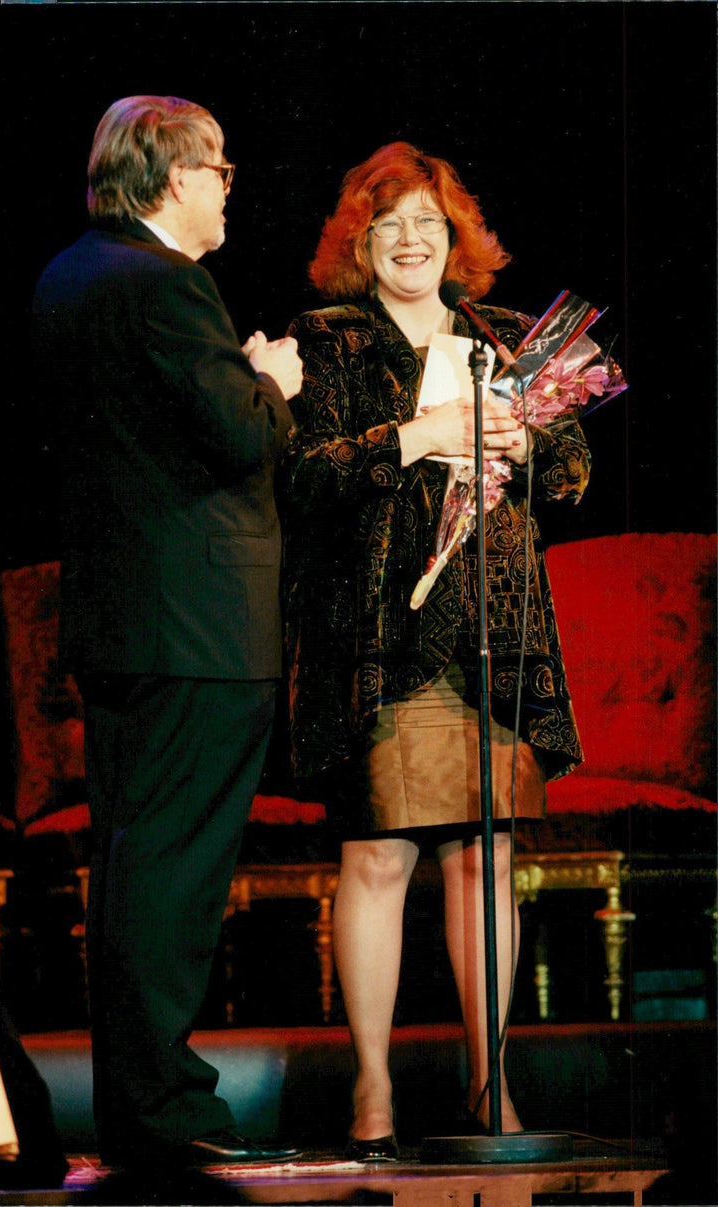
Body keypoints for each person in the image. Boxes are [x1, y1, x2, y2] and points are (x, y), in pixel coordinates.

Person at [279, 142, 590, 1155]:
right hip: (383, 635)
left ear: (455, 237)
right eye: (388, 224)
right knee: (375, 853)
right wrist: (415, 438)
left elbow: (572, 472)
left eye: (427, 222)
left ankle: (486, 1080)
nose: (410, 239)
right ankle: (369, 1089)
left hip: (496, 634)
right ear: (358, 243)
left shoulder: (504, 336)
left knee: (485, 858)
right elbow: (306, 478)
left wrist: (524, 444)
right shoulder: (327, 340)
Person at [32, 95, 303, 1174]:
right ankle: (161, 1107)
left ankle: (143, 1101)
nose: (229, 186)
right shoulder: (164, 284)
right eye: (220, 170)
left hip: (130, 619)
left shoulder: (72, 275)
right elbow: (239, 434)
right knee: (171, 877)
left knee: (139, 863)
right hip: (192, 626)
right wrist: (269, 381)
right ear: (174, 177)